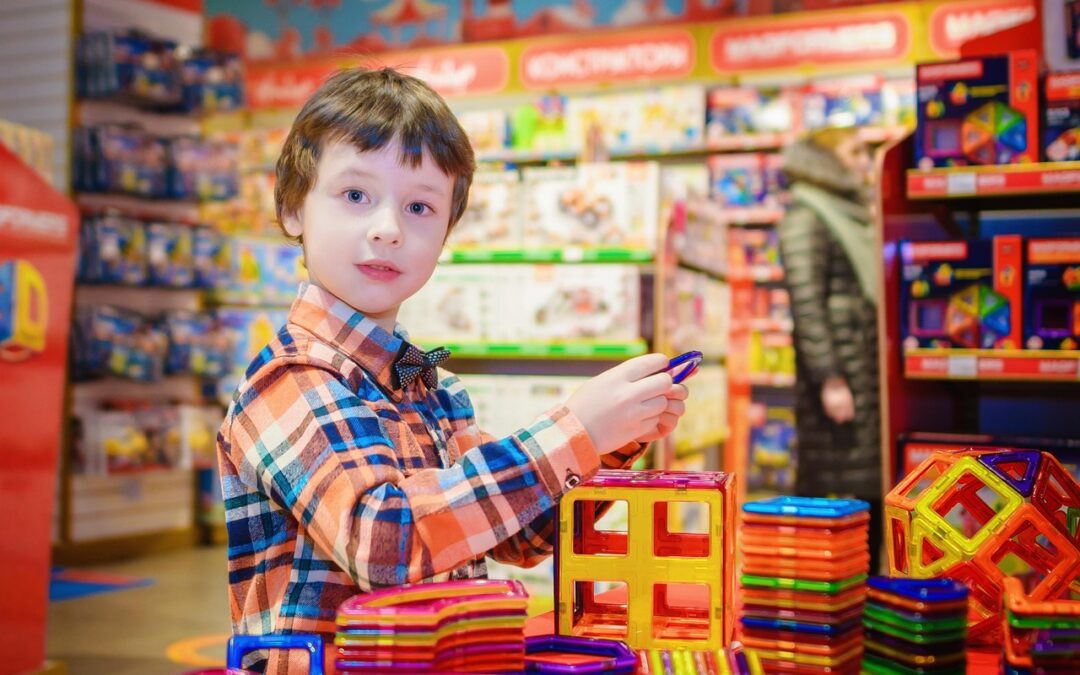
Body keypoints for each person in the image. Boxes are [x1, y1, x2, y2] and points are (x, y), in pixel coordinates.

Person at [216, 67, 689, 674]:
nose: (387, 228)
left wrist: (612, 438)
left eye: (419, 206)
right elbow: (383, 540)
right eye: (355, 195)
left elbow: (518, 536)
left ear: (446, 234)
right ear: (292, 208)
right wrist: (575, 429)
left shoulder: (429, 382)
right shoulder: (291, 379)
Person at [776, 127, 883, 572]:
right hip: (842, 378)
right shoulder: (807, 215)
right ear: (826, 159)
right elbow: (807, 304)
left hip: (861, 370)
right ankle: (829, 593)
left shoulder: (847, 212)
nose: (864, 161)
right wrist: (831, 378)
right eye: (854, 151)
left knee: (866, 484)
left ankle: (865, 585)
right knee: (836, 490)